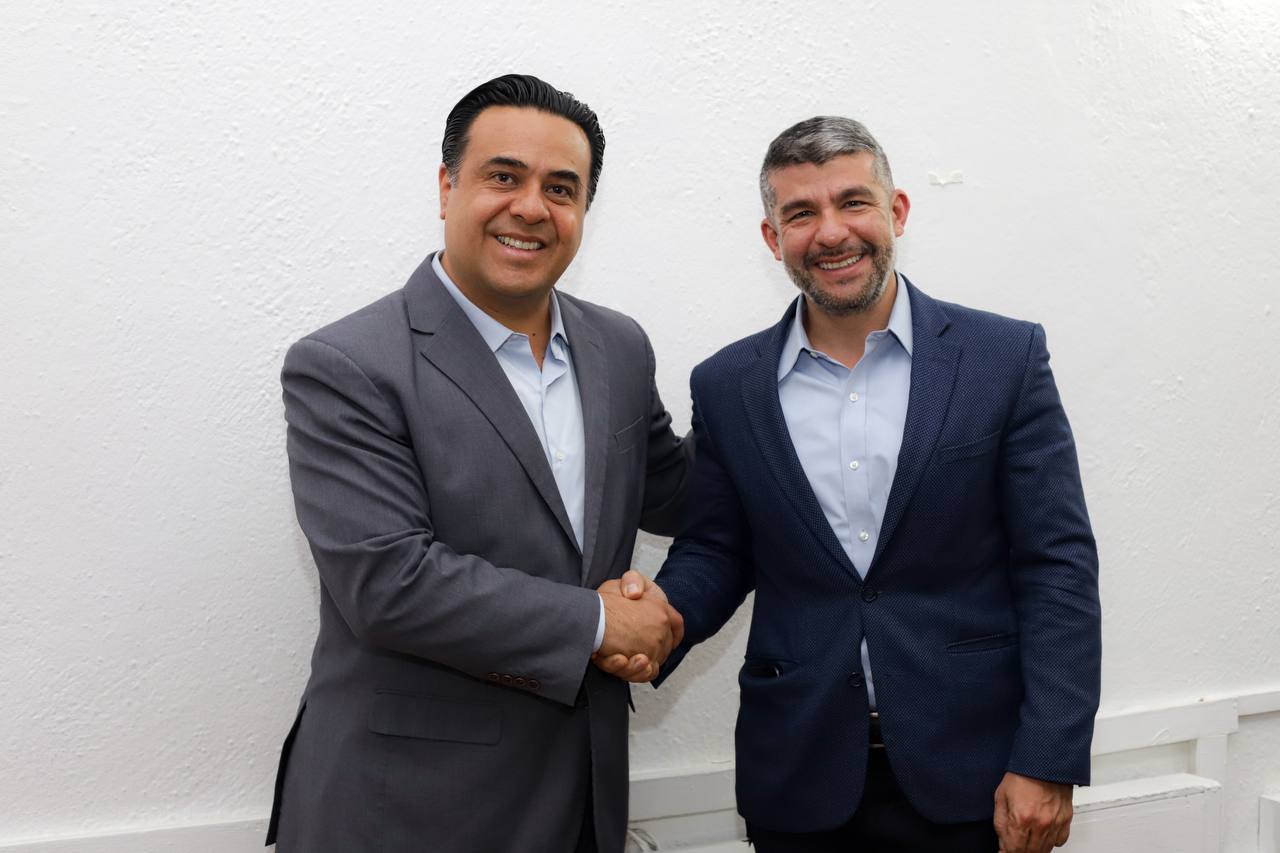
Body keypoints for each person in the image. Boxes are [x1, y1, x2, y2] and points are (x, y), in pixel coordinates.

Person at [600, 116, 1100, 853]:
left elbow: (1056, 566)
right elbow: (719, 549)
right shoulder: (729, 384)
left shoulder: (1003, 358)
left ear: (896, 211)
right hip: (798, 777)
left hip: (978, 775)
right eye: (801, 213)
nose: (831, 232)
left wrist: (1048, 756)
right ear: (772, 238)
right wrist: (654, 622)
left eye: (853, 202)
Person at [266, 74, 692, 853]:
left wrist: (781, 381)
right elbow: (389, 584)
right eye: (504, 176)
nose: (531, 207)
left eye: (560, 188)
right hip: (408, 813)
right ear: (447, 186)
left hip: (585, 802)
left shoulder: (620, 347)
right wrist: (602, 622)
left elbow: (682, 494)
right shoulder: (347, 364)